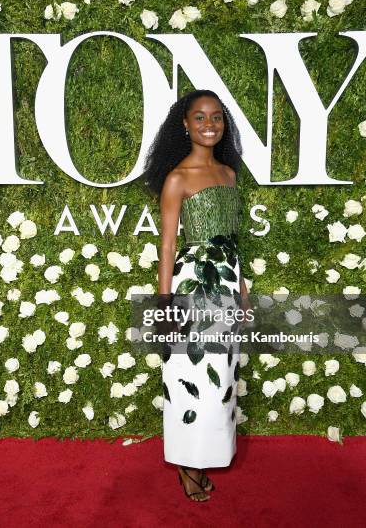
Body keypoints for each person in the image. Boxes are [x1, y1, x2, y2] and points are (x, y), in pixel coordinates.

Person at [142, 89, 250, 502]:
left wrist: (241, 290)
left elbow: (233, 240)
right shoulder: (177, 179)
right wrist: (165, 303)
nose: (210, 125)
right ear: (184, 125)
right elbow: (168, 246)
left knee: (220, 377)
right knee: (188, 374)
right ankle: (188, 466)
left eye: (217, 117)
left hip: (225, 282)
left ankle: (209, 453)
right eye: (200, 117)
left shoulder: (228, 174)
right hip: (192, 285)